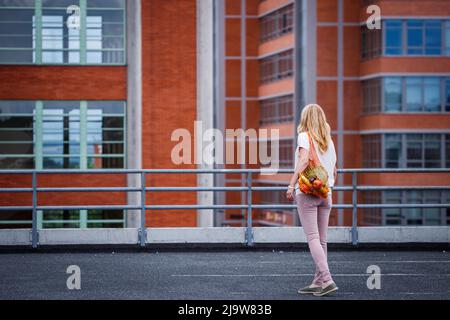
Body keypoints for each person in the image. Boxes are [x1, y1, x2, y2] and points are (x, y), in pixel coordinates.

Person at [286, 104, 338, 297]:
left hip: (307, 192)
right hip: (326, 193)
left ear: (305, 118)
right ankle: (318, 283)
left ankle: (327, 278)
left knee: (313, 238)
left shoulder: (304, 136)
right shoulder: (328, 141)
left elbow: (304, 161)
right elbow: (334, 171)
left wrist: (291, 184)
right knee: (322, 240)